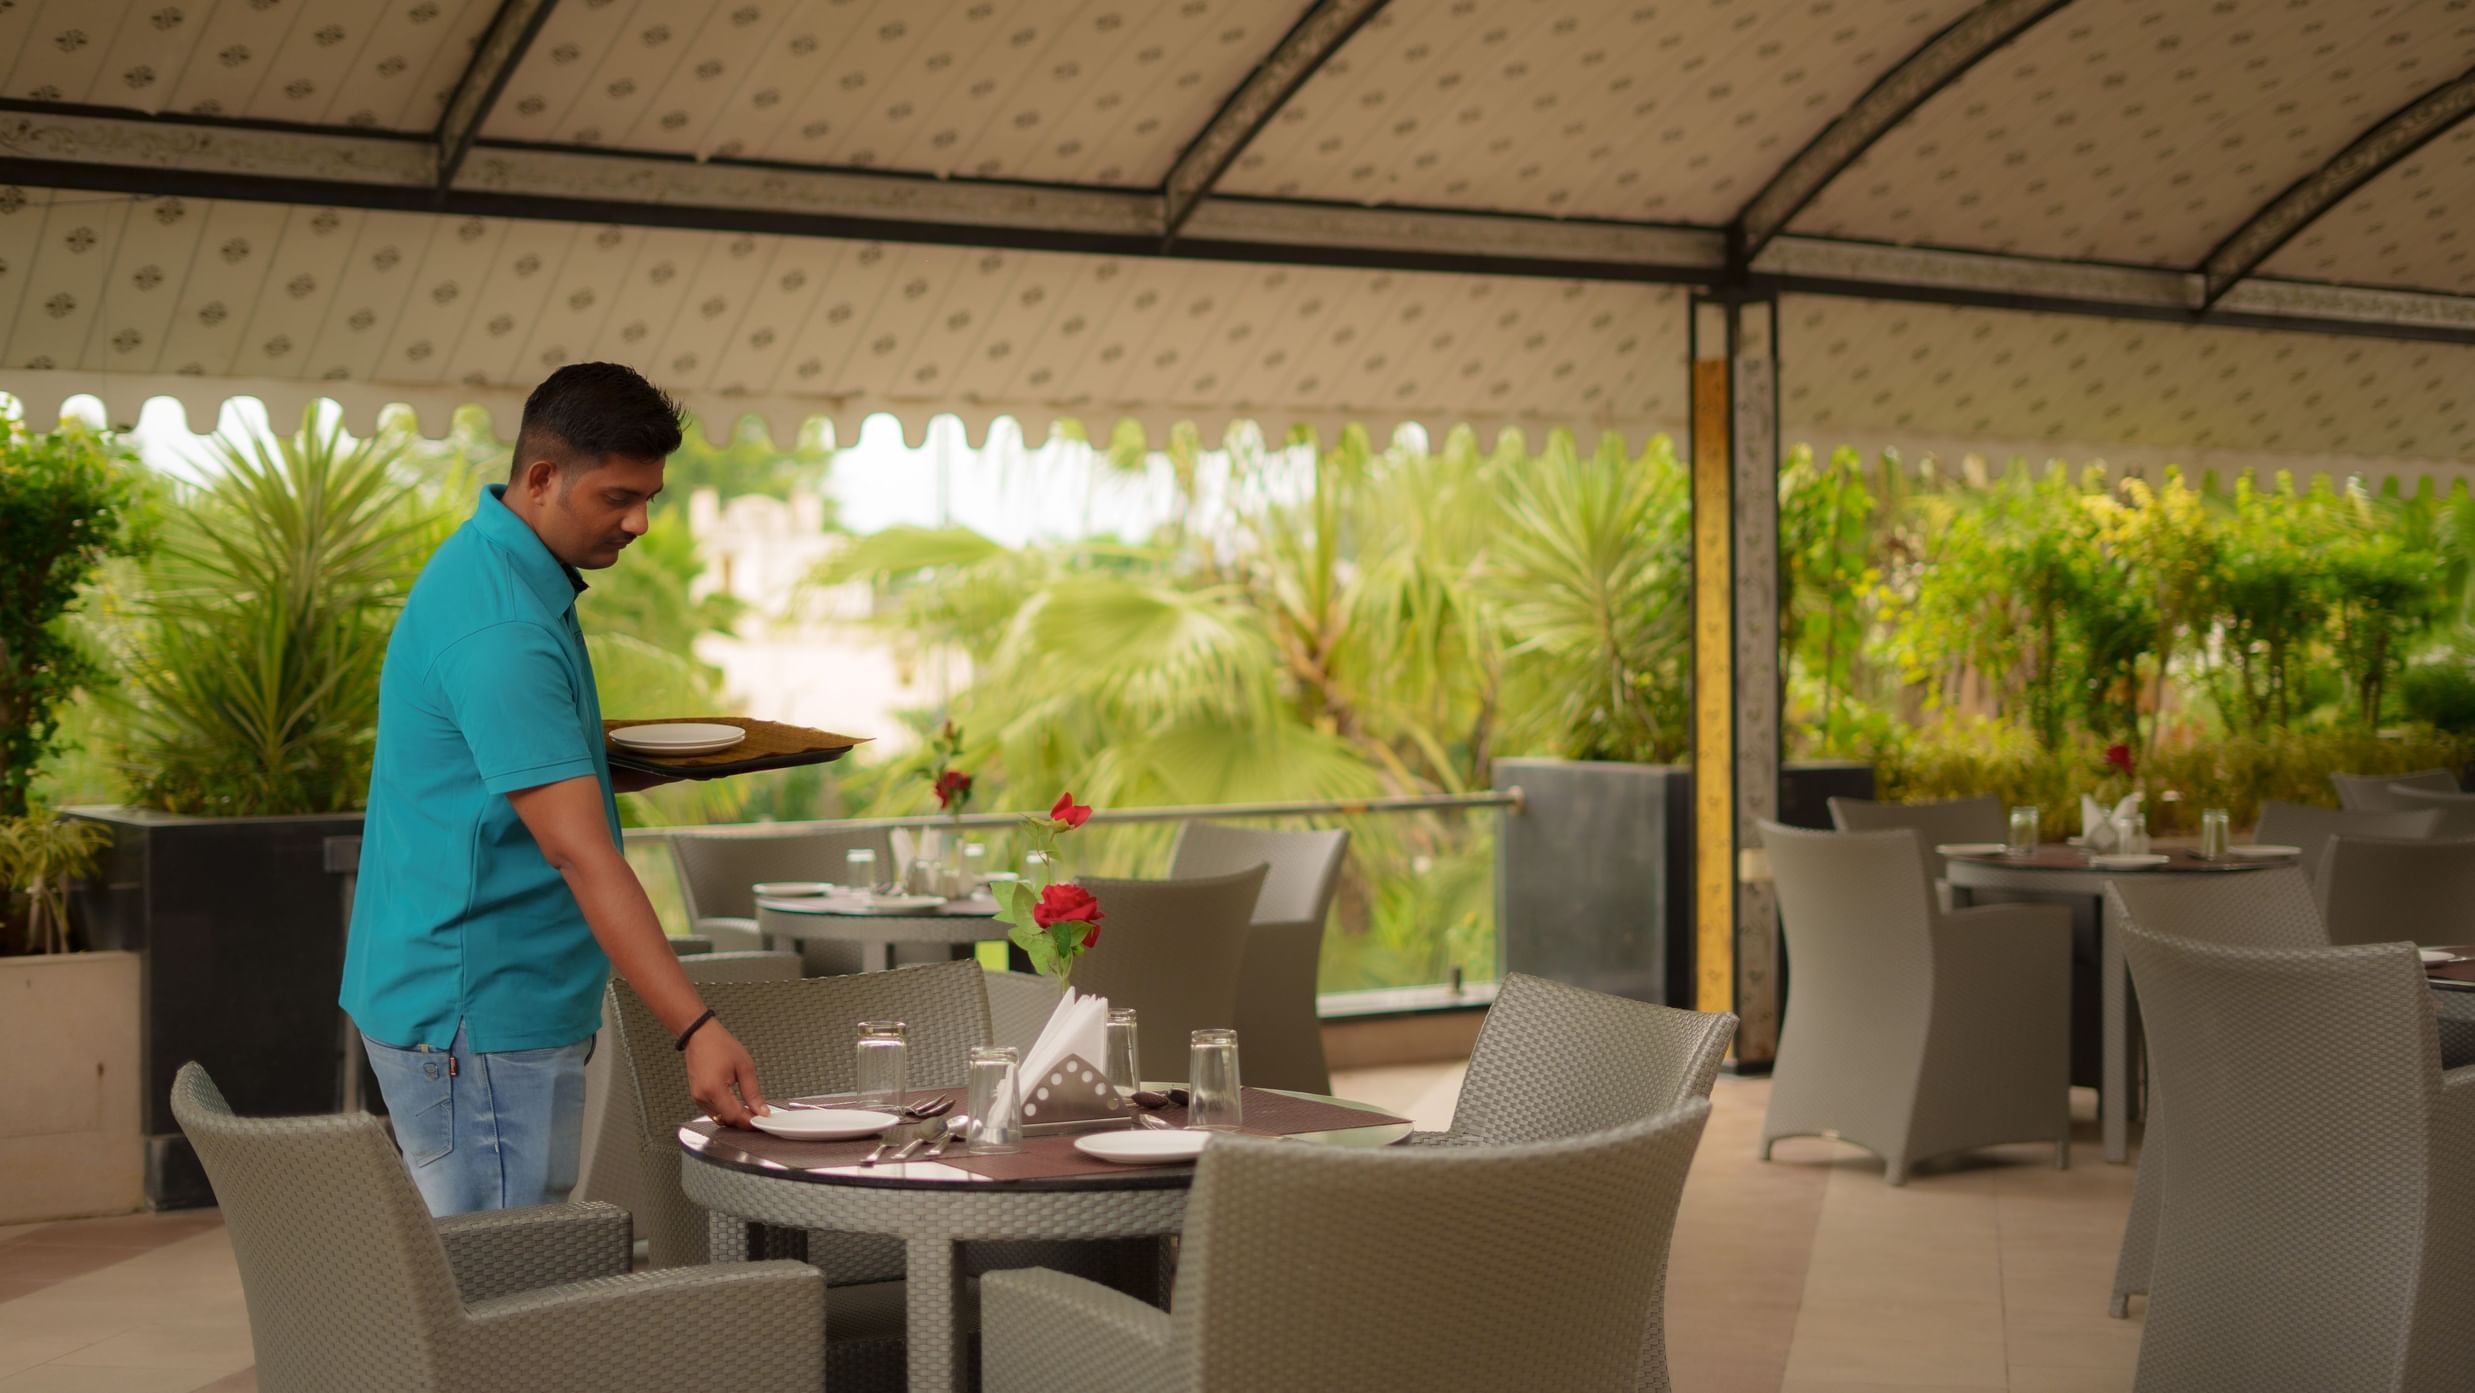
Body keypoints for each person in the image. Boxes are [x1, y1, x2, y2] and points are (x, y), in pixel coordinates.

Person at [340, 363, 768, 1217]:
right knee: (508, 1288)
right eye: (617, 496)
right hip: (477, 1009)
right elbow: (576, 848)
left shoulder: (496, 570)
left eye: (649, 496)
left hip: (468, 996)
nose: (639, 521)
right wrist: (694, 1026)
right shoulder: (501, 626)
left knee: (495, 1283)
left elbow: (501, 777)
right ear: (540, 479)